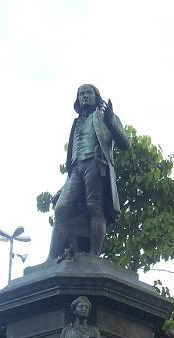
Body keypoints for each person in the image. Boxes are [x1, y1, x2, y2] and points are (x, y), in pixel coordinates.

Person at [48, 84, 129, 260]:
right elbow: (71, 156)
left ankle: (93, 256)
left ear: (96, 96)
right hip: (76, 169)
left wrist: (110, 119)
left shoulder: (106, 117)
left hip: (95, 164)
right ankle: (51, 258)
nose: (84, 96)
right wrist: (62, 188)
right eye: (81, 94)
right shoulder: (76, 122)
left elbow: (125, 144)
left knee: (95, 208)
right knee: (61, 209)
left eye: (88, 93)